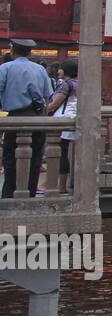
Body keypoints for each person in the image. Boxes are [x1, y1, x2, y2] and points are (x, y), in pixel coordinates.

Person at [0, 39, 52, 198]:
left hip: (15, 118)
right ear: (30, 52)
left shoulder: (5, 68)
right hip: (37, 118)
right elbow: (48, 95)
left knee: (11, 160)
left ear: (12, 50)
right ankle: (29, 194)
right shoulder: (40, 70)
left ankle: (9, 195)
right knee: (35, 160)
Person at [47, 59, 78, 194]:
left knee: (60, 153)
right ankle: (65, 185)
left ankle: (59, 186)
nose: (58, 71)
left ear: (66, 70)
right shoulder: (80, 84)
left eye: (60, 68)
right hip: (75, 119)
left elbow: (54, 104)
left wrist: (45, 110)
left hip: (62, 119)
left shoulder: (65, 85)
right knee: (68, 153)